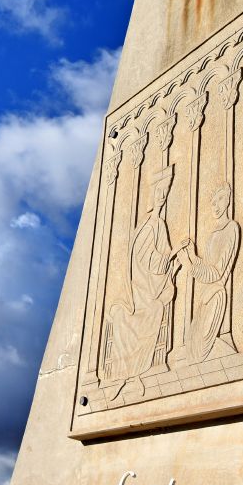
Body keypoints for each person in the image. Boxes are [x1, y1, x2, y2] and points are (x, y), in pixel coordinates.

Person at [104, 167, 183, 398]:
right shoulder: (149, 225)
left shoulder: (160, 224)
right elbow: (148, 260)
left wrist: (172, 260)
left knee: (156, 308)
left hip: (152, 286)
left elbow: (160, 260)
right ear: (152, 193)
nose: (162, 196)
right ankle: (129, 374)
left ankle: (132, 375)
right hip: (142, 288)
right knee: (151, 311)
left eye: (165, 192)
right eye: (159, 191)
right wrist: (173, 254)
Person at [176, 184, 240, 363]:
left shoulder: (232, 228)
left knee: (202, 350)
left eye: (220, 199)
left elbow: (216, 273)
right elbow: (207, 266)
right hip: (205, 297)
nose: (216, 205)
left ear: (228, 199)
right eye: (213, 202)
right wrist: (192, 255)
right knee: (193, 349)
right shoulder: (213, 234)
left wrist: (189, 266)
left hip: (216, 295)